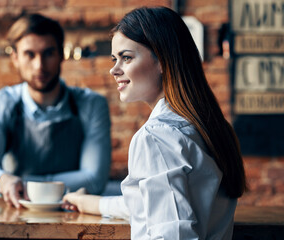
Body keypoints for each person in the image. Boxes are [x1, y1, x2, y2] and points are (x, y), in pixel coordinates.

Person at [62, 6, 247, 240]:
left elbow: (174, 233)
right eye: (114, 59)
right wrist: (88, 202)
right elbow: (152, 206)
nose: (113, 69)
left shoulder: (158, 136)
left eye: (126, 57)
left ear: (162, 60)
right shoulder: (207, 126)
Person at [0, 14, 112, 209]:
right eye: (30, 54)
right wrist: (3, 181)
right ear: (15, 58)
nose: (40, 66)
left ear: (62, 55)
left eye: (48, 53)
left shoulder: (92, 104)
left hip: (74, 217)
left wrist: (23, 184)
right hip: (14, 215)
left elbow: (94, 178)